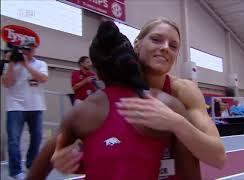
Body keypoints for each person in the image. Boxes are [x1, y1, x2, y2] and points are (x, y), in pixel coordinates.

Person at [50, 17, 226, 178]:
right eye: (156, 39)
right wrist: (65, 155)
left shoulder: (184, 91)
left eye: (173, 46)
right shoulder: (113, 81)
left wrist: (176, 123)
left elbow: (218, 157)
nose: (165, 47)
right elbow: (70, 147)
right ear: (137, 44)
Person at [1, 41, 48, 179]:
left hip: (36, 106)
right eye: (25, 48)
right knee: (13, 140)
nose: (28, 51)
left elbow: (43, 78)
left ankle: (31, 164)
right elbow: (7, 83)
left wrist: (26, 64)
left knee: (37, 138)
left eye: (30, 48)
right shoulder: (11, 64)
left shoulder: (41, 64)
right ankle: (16, 171)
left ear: (34, 50)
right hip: (15, 107)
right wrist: (11, 62)